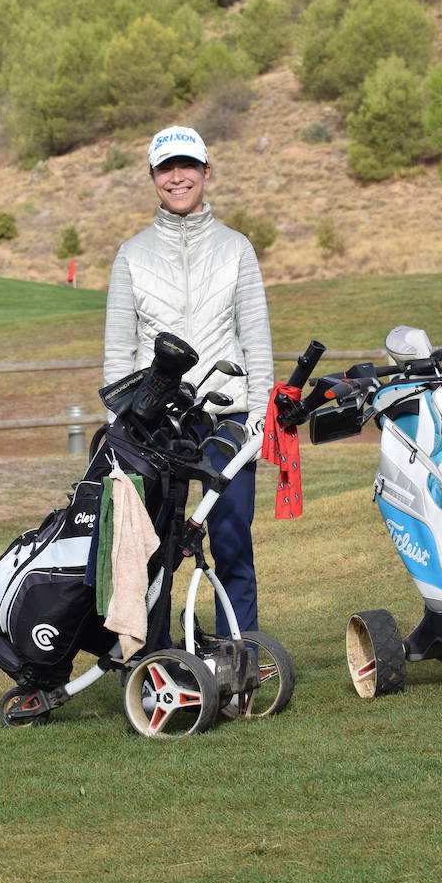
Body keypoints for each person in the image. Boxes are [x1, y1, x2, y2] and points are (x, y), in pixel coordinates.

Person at [103, 125, 275, 636]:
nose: (177, 177)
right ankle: (155, 660)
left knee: (231, 543)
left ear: (205, 171)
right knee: (153, 548)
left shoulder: (237, 249)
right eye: (166, 168)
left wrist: (261, 417)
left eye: (187, 166)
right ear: (154, 176)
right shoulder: (131, 254)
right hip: (154, 425)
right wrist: (119, 425)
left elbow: (256, 338)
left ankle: (237, 655)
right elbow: (117, 351)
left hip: (228, 419)